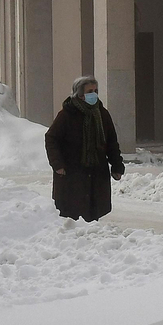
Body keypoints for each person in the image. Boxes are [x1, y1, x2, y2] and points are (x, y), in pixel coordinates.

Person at [46, 75, 125, 222]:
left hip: (96, 172)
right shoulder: (67, 114)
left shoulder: (102, 114)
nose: (94, 94)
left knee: (93, 212)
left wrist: (117, 166)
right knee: (73, 214)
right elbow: (51, 139)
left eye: (95, 90)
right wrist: (58, 165)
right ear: (80, 93)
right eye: (90, 91)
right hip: (72, 173)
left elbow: (111, 142)